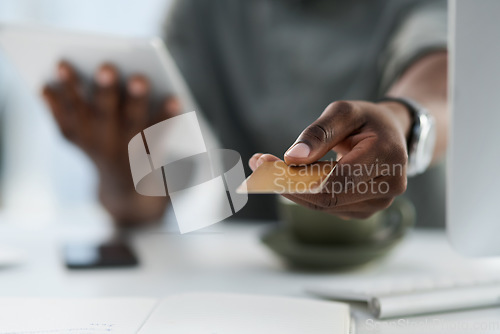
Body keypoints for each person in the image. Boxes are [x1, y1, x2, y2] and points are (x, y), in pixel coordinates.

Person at [42, 0, 448, 227]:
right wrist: (120, 169)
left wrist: (405, 120)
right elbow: (152, 199)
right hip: (250, 290)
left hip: (409, 277)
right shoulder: (203, 14)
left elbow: (445, 78)